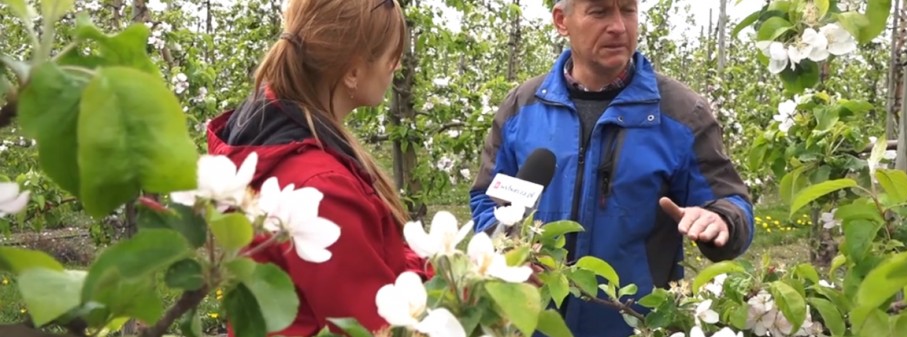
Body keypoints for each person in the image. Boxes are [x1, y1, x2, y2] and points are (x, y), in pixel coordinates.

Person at [468, 0, 755, 336]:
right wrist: (507, 251)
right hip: (532, 324)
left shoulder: (681, 113)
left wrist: (721, 219)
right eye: (600, 11)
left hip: (635, 325)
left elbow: (732, 203)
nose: (619, 26)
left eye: (628, 10)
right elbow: (489, 201)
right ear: (562, 21)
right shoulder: (522, 107)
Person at [204, 0, 432, 335]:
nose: (395, 67)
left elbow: (364, 267)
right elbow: (375, 326)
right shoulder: (321, 189)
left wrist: (436, 265)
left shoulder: (267, 135)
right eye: (390, 57)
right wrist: (475, 293)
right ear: (353, 72)